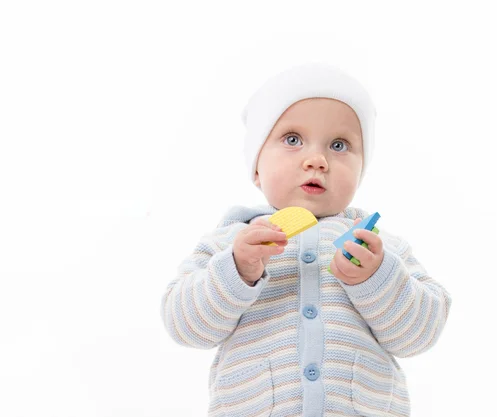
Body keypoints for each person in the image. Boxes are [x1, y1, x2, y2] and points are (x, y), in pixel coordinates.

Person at [160, 62, 452, 417]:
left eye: (340, 144)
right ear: (255, 167)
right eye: (293, 140)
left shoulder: (376, 245)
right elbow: (185, 327)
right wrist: (236, 271)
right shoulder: (230, 242)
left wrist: (379, 279)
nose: (317, 160)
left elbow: (419, 335)